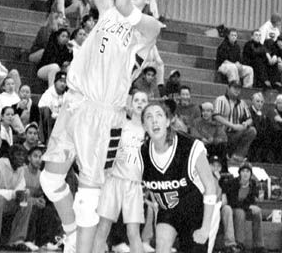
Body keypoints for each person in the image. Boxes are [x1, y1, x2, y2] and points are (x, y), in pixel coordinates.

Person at [40, 0, 162, 253]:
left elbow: (124, 1)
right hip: (75, 104)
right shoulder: (107, 11)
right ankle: (69, 234)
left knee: (88, 196)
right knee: (50, 181)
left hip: (103, 115)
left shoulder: (147, 29)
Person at [141, 101, 216, 253]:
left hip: (196, 212)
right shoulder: (141, 154)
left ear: (168, 121)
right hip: (168, 211)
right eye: (149, 117)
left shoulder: (190, 146)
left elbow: (210, 187)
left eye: (159, 115)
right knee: (161, 248)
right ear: (144, 125)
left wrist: (205, 228)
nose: (154, 120)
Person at [93, 91, 149, 253]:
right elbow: (103, 150)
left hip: (135, 185)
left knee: (133, 232)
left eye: (143, 100)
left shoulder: (150, 132)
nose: (139, 103)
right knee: (103, 227)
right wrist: (112, 156)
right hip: (114, 180)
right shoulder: (121, 125)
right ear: (130, 105)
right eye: (136, 100)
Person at [0, 144, 33, 252]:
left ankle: (17, 241)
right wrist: (13, 194)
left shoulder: (21, 170)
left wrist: (22, 194)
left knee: (27, 201)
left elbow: (20, 189)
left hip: (7, 205)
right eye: (18, 155)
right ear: (10, 156)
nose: (21, 158)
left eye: (23, 155)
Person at [222, 162, 266, 253]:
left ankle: (258, 245)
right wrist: (248, 206)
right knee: (240, 212)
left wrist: (251, 206)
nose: (245, 173)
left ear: (250, 174)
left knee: (257, 212)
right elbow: (232, 202)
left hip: (245, 207)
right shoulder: (233, 183)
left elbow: (252, 199)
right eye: (243, 171)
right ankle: (239, 243)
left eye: (248, 171)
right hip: (233, 208)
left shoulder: (253, 184)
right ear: (240, 173)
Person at [213, 81, 256, 162]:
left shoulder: (242, 103)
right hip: (222, 133)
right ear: (228, 88)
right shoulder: (220, 100)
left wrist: (245, 124)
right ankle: (224, 157)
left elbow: (250, 119)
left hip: (235, 133)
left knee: (252, 130)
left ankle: (237, 156)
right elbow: (216, 116)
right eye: (234, 88)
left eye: (239, 88)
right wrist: (232, 125)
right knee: (220, 132)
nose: (237, 90)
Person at [192, 102, 228, 172]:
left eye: (208, 111)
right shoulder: (196, 122)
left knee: (222, 146)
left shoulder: (217, 124)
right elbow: (193, 133)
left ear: (212, 112)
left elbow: (223, 138)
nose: (205, 113)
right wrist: (201, 138)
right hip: (200, 145)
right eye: (203, 111)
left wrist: (213, 140)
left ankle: (224, 171)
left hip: (212, 146)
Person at [38, 72, 67, 144]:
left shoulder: (67, 96)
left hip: (62, 121)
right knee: (46, 111)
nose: (63, 84)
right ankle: (47, 140)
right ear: (55, 82)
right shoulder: (48, 94)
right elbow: (42, 109)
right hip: (50, 121)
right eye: (60, 81)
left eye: (65, 82)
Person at [248, 93, 271, 163]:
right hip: (251, 137)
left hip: (260, 138)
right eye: (257, 101)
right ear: (252, 101)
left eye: (262, 102)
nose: (260, 104)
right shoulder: (248, 111)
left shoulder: (262, 115)